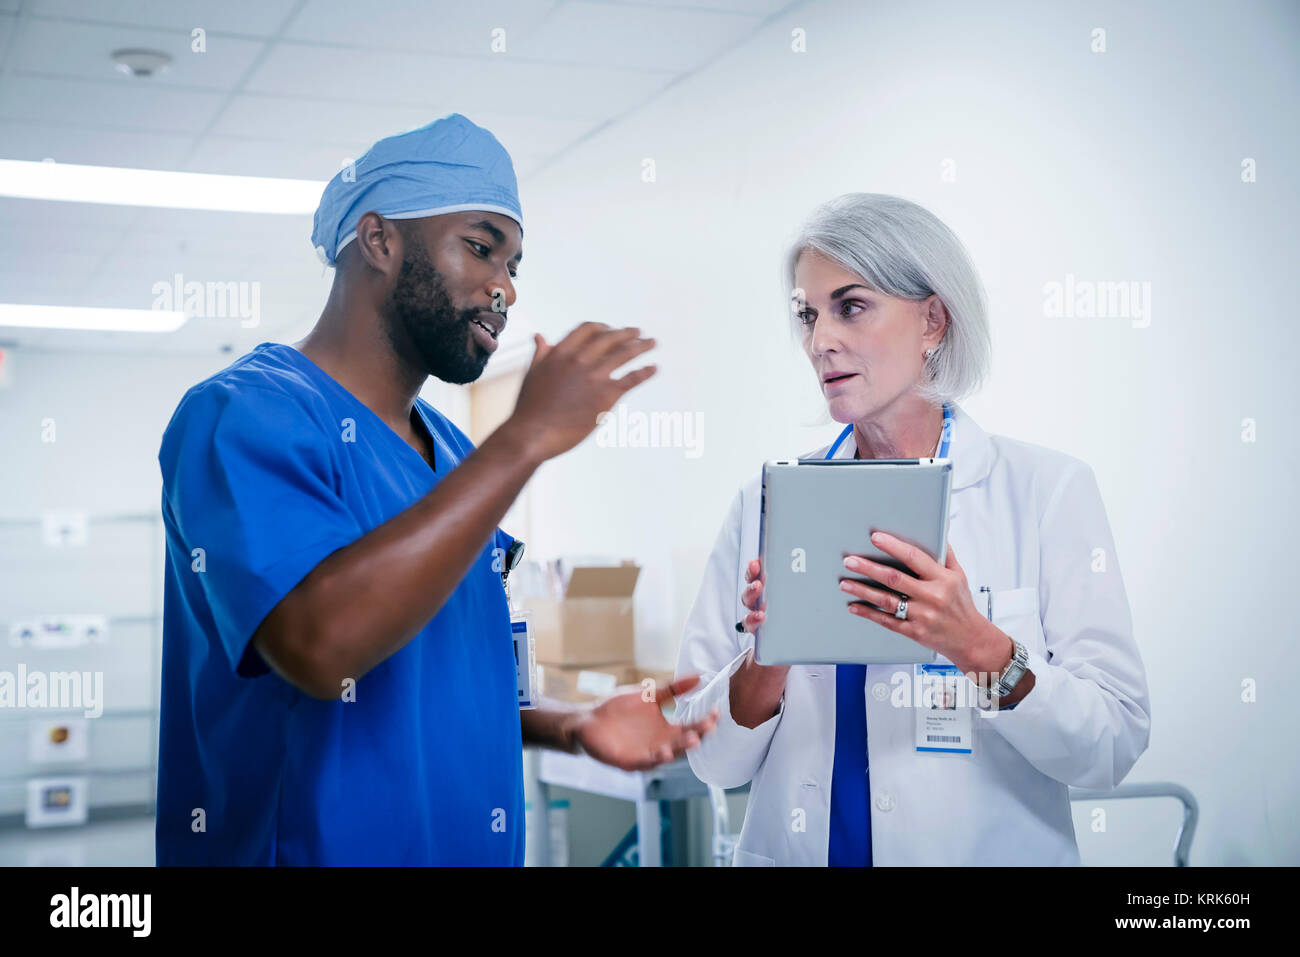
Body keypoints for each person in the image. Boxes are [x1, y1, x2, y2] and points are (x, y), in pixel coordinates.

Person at [155, 114, 716, 866]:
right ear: (379, 241)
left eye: (515, 263)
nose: (505, 286)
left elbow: (436, 672)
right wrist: (523, 441)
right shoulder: (242, 416)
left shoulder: (452, 454)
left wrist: (567, 722)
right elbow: (321, 647)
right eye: (481, 247)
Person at [674, 193, 1150, 866]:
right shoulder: (763, 504)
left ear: (932, 320)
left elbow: (1111, 745)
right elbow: (710, 763)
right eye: (808, 315)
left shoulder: (1045, 492)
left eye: (851, 305)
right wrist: (766, 660)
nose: (819, 340)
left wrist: (977, 644)